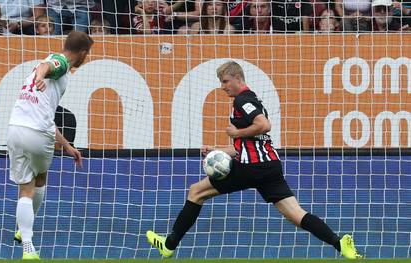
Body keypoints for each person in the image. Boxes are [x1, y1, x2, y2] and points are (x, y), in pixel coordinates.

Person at [146, 61, 363, 260]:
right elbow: (251, 142)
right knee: (296, 214)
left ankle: (169, 244)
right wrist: (217, 149)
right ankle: (339, 243)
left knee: (196, 191)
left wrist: (236, 133)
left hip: (252, 167)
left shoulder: (243, 100)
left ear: (237, 78)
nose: (223, 87)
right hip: (269, 166)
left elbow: (264, 125)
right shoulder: (252, 100)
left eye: (225, 81)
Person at [8, 31, 93, 260]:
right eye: (88, 54)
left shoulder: (43, 63)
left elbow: (45, 113)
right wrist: (41, 73)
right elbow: (51, 65)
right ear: (83, 53)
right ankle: (27, 239)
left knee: (25, 187)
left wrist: (66, 145)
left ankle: (25, 239)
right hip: (38, 134)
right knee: (40, 179)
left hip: (15, 128)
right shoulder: (62, 62)